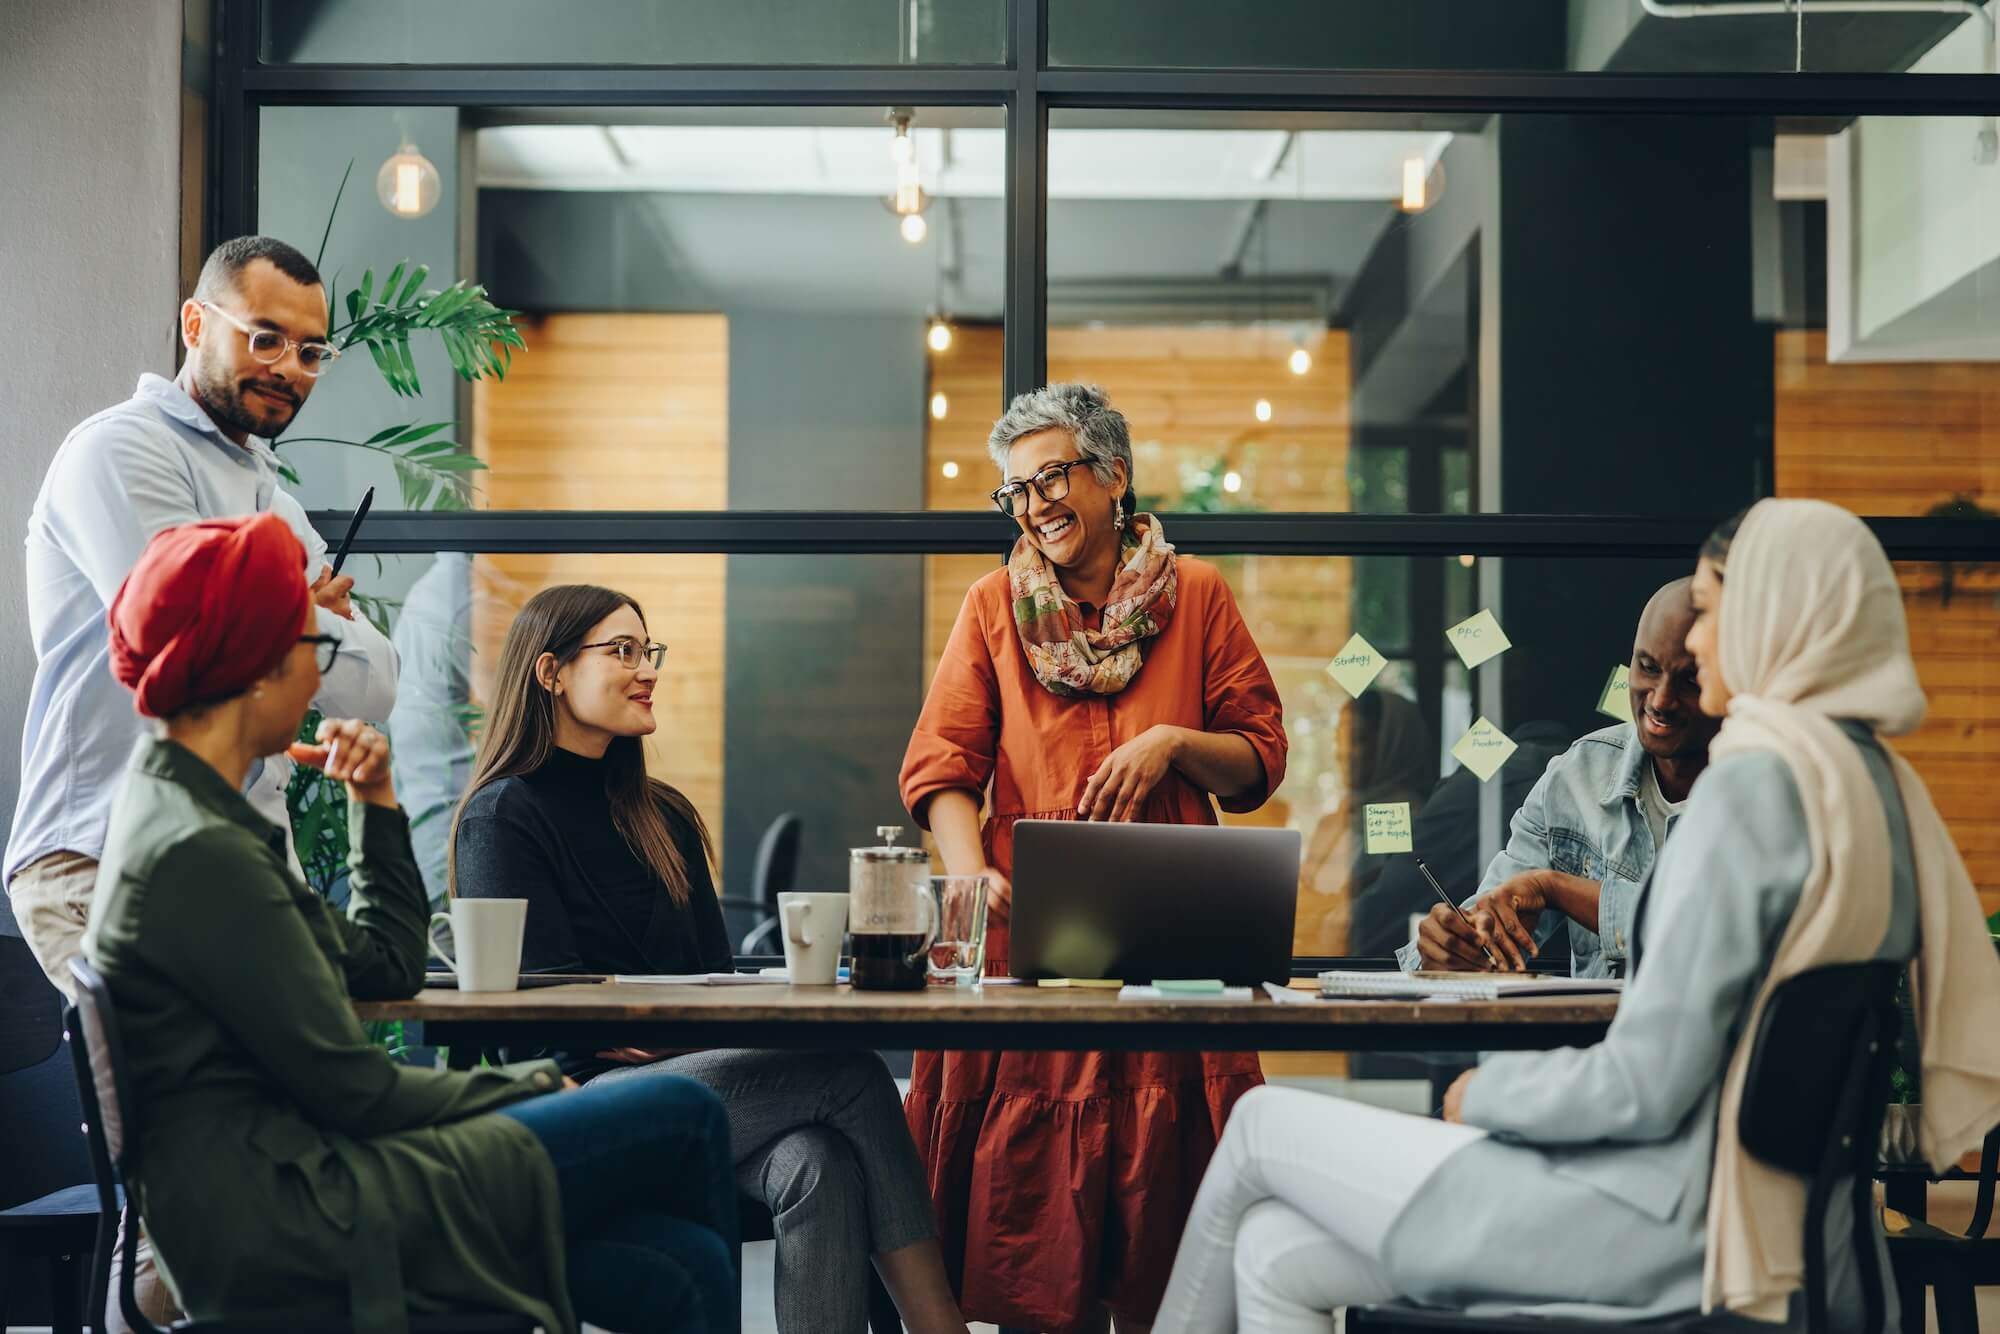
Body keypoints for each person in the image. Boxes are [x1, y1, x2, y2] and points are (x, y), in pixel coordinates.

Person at [1154, 498, 2000, 1331]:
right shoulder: (1871, 788)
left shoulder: (1751, 788)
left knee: (1260, 1122)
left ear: (1778, 617)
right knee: (1271, 1251)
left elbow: (1644, 1085)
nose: (1698, 645)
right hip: (1788, 1230)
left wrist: (1489, 1094)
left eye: (1710, 617)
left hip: (1660, 1218)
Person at [83, 515, 739, 1334]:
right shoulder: (200, 853)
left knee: (685, 1263)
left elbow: (389, 968)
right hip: (297, 1208)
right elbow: (355, 1091)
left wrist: (375, 802)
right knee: (686, 1112)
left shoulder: (193, 819)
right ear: (253, 665)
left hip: (306, 1175)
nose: (318, 681)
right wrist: (535, 1081)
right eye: (312, 650)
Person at [451, 583, 970, 1334]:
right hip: (578, 1104)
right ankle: (938, 1324)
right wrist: (660, 1026)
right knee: (853, 1073)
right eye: (621, 651)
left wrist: (662, 1028)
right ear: (550, 673)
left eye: (647, 650)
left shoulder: (662, 816)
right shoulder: (503, 817)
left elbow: (710, 977)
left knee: (817, 1161)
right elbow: (550, 1024)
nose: (646, 669)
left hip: (687, 1079)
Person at [901, 383, 1289, 1333]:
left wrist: (1173, 743)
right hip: (1032, 939)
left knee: (1171, 1244)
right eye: (1015, 492)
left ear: (1112, 477)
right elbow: (941, 767)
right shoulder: (994, 605)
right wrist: (963, 869)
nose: (1034, 505)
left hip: (1177, 936)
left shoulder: (1196, 594)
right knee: (1037, 1248)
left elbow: (1259, 758)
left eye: (1050, 478)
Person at [9, 234, 399, 1005]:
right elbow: (191, 636)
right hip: (109, 854)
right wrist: (302, 611)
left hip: (245, 870)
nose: (290, 366)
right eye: (265, 337)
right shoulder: (119, 451)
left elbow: (374, 687)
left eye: (312, 351)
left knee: (287, 1112)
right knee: (203, 1118)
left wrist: (279, 617)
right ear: (195, 324)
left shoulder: (274, 499)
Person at [1401, 577, 1717, 977]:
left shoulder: (1761, 789)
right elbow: (1491, 921)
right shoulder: (1577, 775)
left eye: (1689, 680)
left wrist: (1556, 888)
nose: (1660, 699)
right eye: (1648, 668)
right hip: (1588, 1038)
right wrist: (1453, 945)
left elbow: (1708, 931)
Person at [1295, 690, 1437, 955]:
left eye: (1357, 739)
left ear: (1394, 743)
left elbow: (1380, 899)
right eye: (1339, 739)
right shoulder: (1334, 820)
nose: (1342, 752)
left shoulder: (1406, 819)